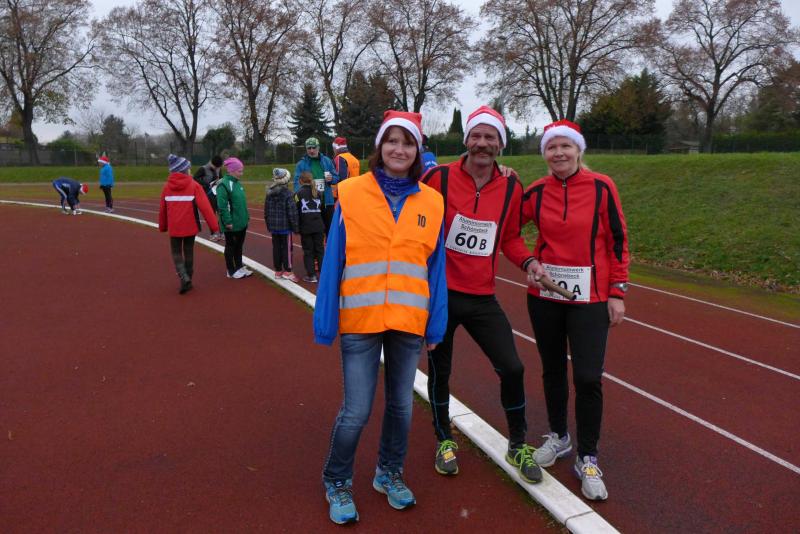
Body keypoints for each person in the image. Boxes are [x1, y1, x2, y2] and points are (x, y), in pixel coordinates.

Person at [314, 110, 447, 525]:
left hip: (409, 320)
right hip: (361, 318)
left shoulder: (433, 202)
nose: (399, 149)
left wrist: (436, 325)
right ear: (379, 146)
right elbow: (334, 258)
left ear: (418, 151)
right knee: (356, 410)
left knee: (401, 407)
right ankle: (337, 480)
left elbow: (436, 269)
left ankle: (389, 473)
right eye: (392, 141)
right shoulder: (351, 193)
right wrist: (325, 320)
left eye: (408, 143)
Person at [421, 105, 542, 483]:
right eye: (476, 135)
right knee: (440, 370)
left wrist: (529, 262)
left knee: (513, 367)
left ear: (500, 145)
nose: (482, 143)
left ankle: (518, 443)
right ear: (466, 140)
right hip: (441, 295)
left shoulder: (511, 186)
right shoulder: (437, 177)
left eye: (491, 137)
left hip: (481, 296)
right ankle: (443, 438)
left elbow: (510, 237)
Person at [522, 119, 629, 501]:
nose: (559, 153)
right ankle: (559, 436)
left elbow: (618, 240)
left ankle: (588, 456)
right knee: (552, 369)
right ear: (545, 154)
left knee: (587, 377)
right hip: (545, 298)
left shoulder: (602, 187)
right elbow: (507, 228)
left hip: (591, 299)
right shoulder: (535, 192)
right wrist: (529, 261)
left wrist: (617, 291)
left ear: (578, 149)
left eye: (565, 146)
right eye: (552, 147)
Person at [158, 154, 221, 294]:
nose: (190, 171)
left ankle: (183, 276)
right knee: (188, 251)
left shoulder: (167, 187)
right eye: (189, 168)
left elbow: (162, 209)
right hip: (190, 226)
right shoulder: (194, 186)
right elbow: (206, 208)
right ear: (184, 170)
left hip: (174, 227)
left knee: (176, 252)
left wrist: (162, 226)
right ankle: (188, 279)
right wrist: (214, 227)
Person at [293, 137, 338, 236]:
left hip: (327, 201)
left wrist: (331, 179)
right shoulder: (301, 164)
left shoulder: (327, 161)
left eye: (314, 147)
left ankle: (328, 246)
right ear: (306, 149)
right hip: (311, 204)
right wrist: (301, 195)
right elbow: (296, 183)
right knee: (315, 232)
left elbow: (336, 177)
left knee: (330, 231)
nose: (311, 150)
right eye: (309, 148)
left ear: (318, 147)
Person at [217, 157, 253, 279]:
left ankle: (239, 266)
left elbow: (241, 203)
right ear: (231, 171)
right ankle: (231, 270)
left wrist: (246, 217)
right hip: (232, 224)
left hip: (241, 222)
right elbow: (222, 206)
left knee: (239, 246)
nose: (241, 174)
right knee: (231, 246)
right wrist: (228, 221)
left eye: (242, 171)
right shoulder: (224, 184)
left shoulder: (237, 183)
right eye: (239, 171)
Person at [264, 168, 300, 282]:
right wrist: (296, 227)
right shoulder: (289, 194)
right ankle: (288, 271)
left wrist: (268, 225)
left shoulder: (269, 194)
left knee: (276, 248)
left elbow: (266, 211)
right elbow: (292, 212)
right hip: (285, 227)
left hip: (273, 227)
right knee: (287, 249)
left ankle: (278, 270)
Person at [295, 171, 325, 283]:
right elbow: (322, 208)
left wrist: (296, 226)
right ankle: (324, 274)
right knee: (320, 250)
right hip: (318, 226)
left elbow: (296, 210)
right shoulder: (319, 193)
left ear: (300, 181)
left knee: (308, 251)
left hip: (306, 227)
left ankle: (311, 275)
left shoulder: (298, 194)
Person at [193, 154, 224, 241]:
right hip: (207, 194)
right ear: (211, 163)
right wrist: (206, 184)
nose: (217, 169)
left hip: (217, 193)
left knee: (221, 212)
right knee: (211, 214)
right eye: (215, 167)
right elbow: (195, 179)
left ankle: (222, 232)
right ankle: (213, 234)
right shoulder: (203, 169)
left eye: (218, 167)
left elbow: (221, 178)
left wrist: (220, 181)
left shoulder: (218, 168)